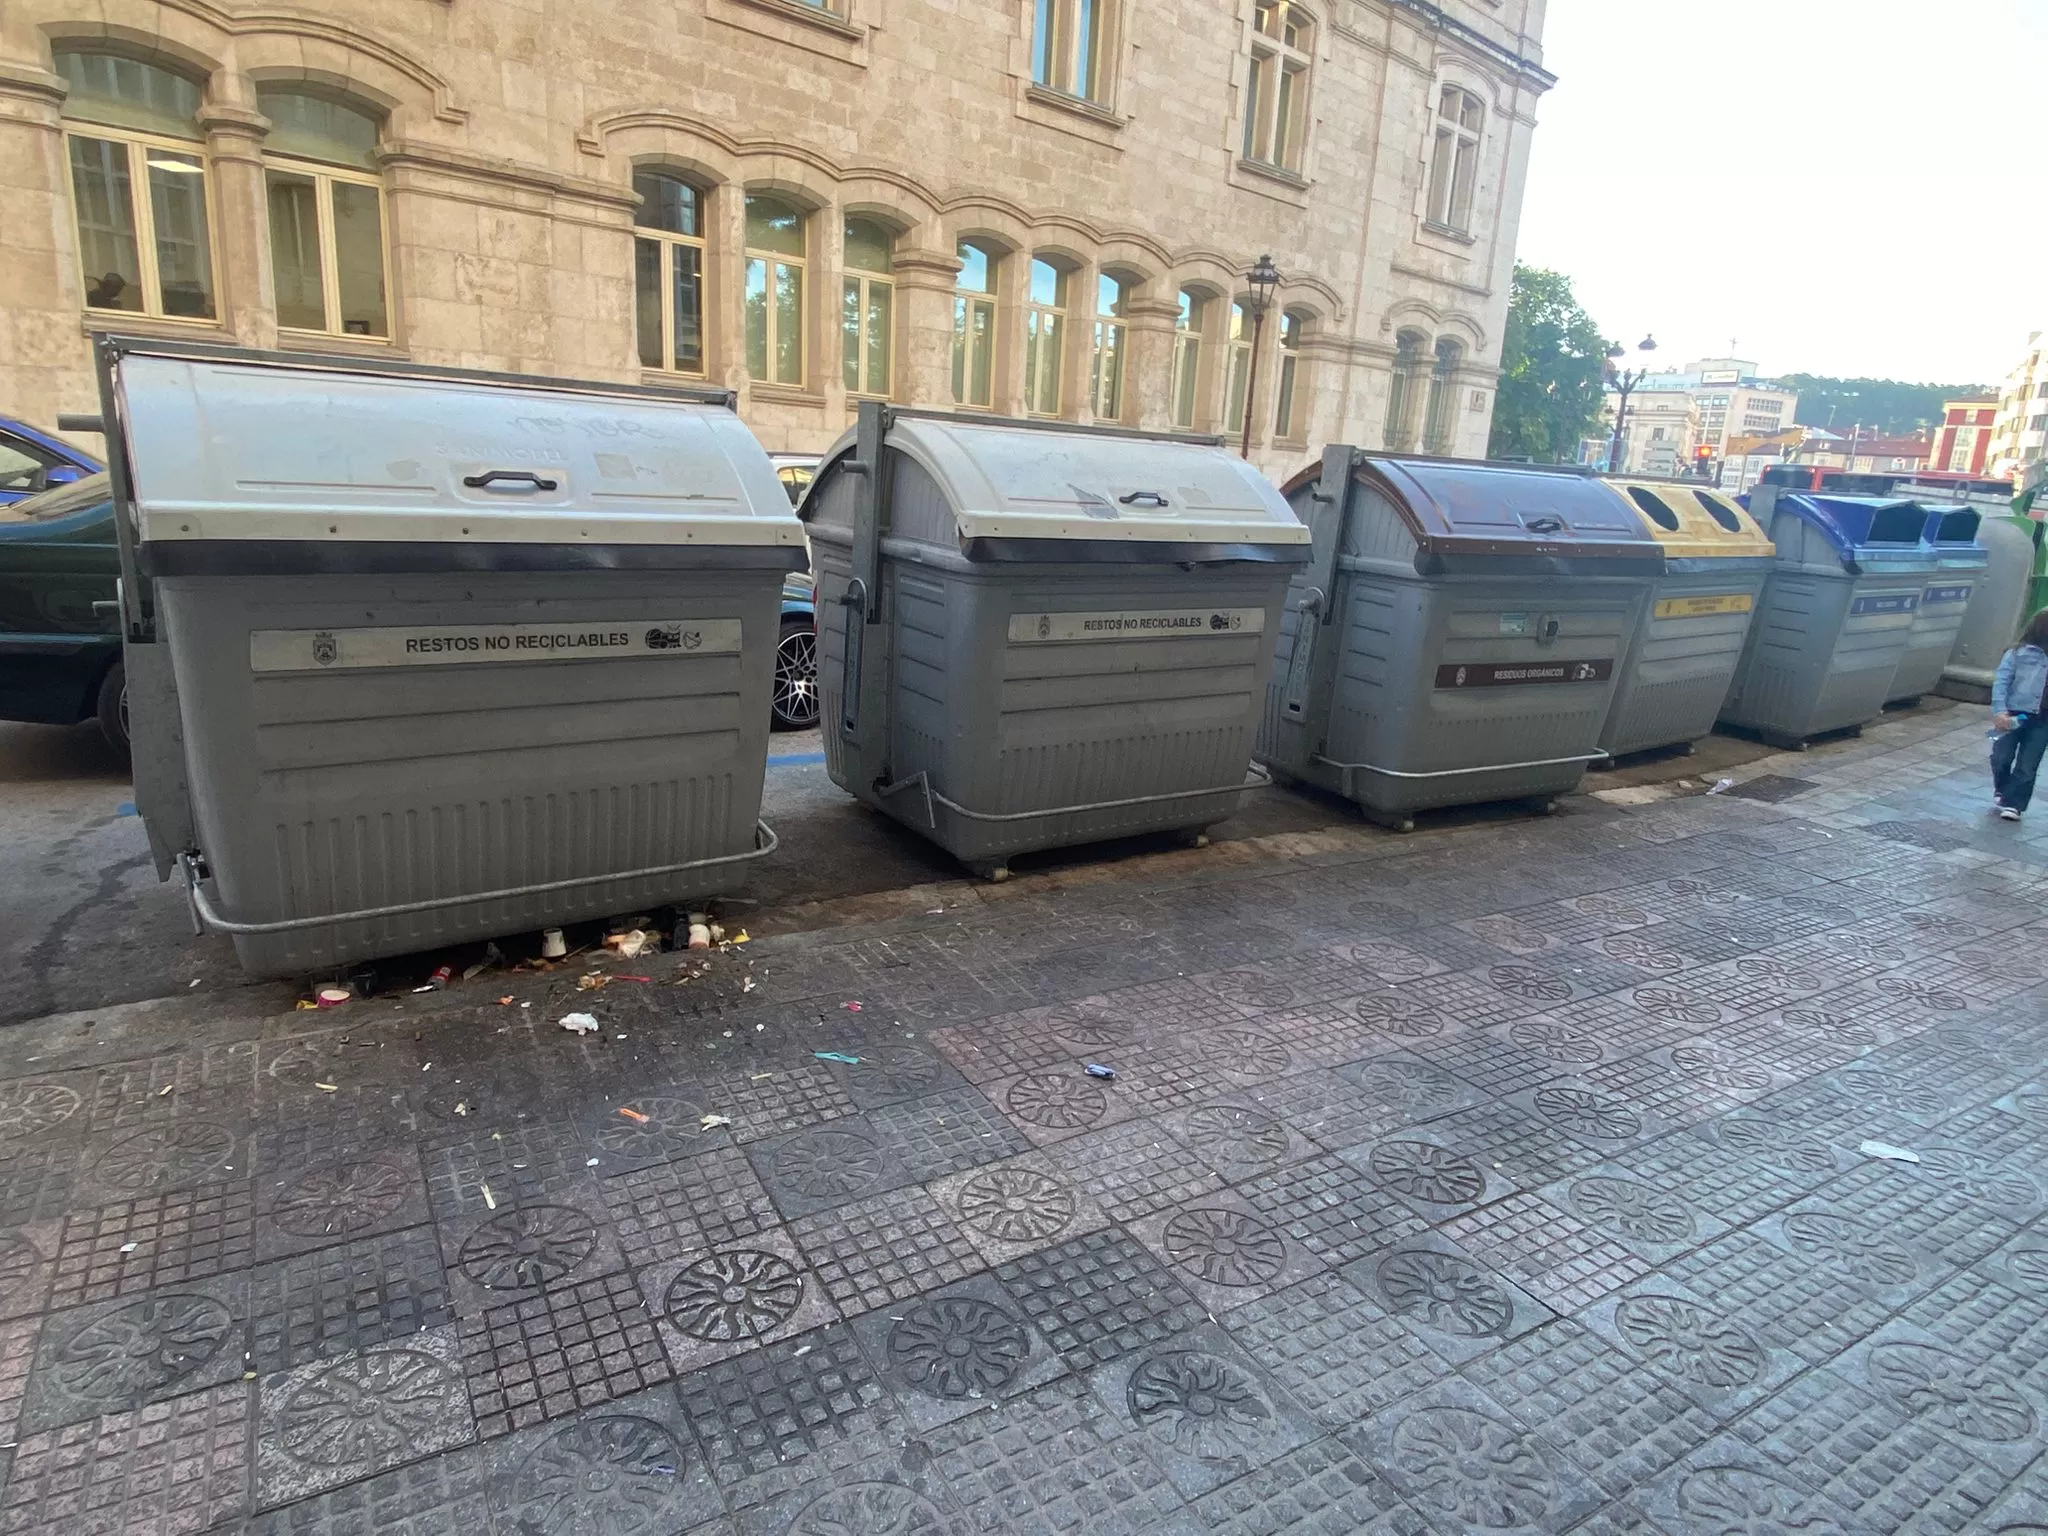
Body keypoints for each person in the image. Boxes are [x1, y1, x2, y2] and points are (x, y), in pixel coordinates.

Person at [1989, 609, 2048, 820]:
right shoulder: (2017, 654)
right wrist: (1999, 710)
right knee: (2000, 757)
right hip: (2013, 713)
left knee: (2028, 763)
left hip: (2043, 719)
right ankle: (2003, 790)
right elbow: (2002, 681)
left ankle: (2014, 804)